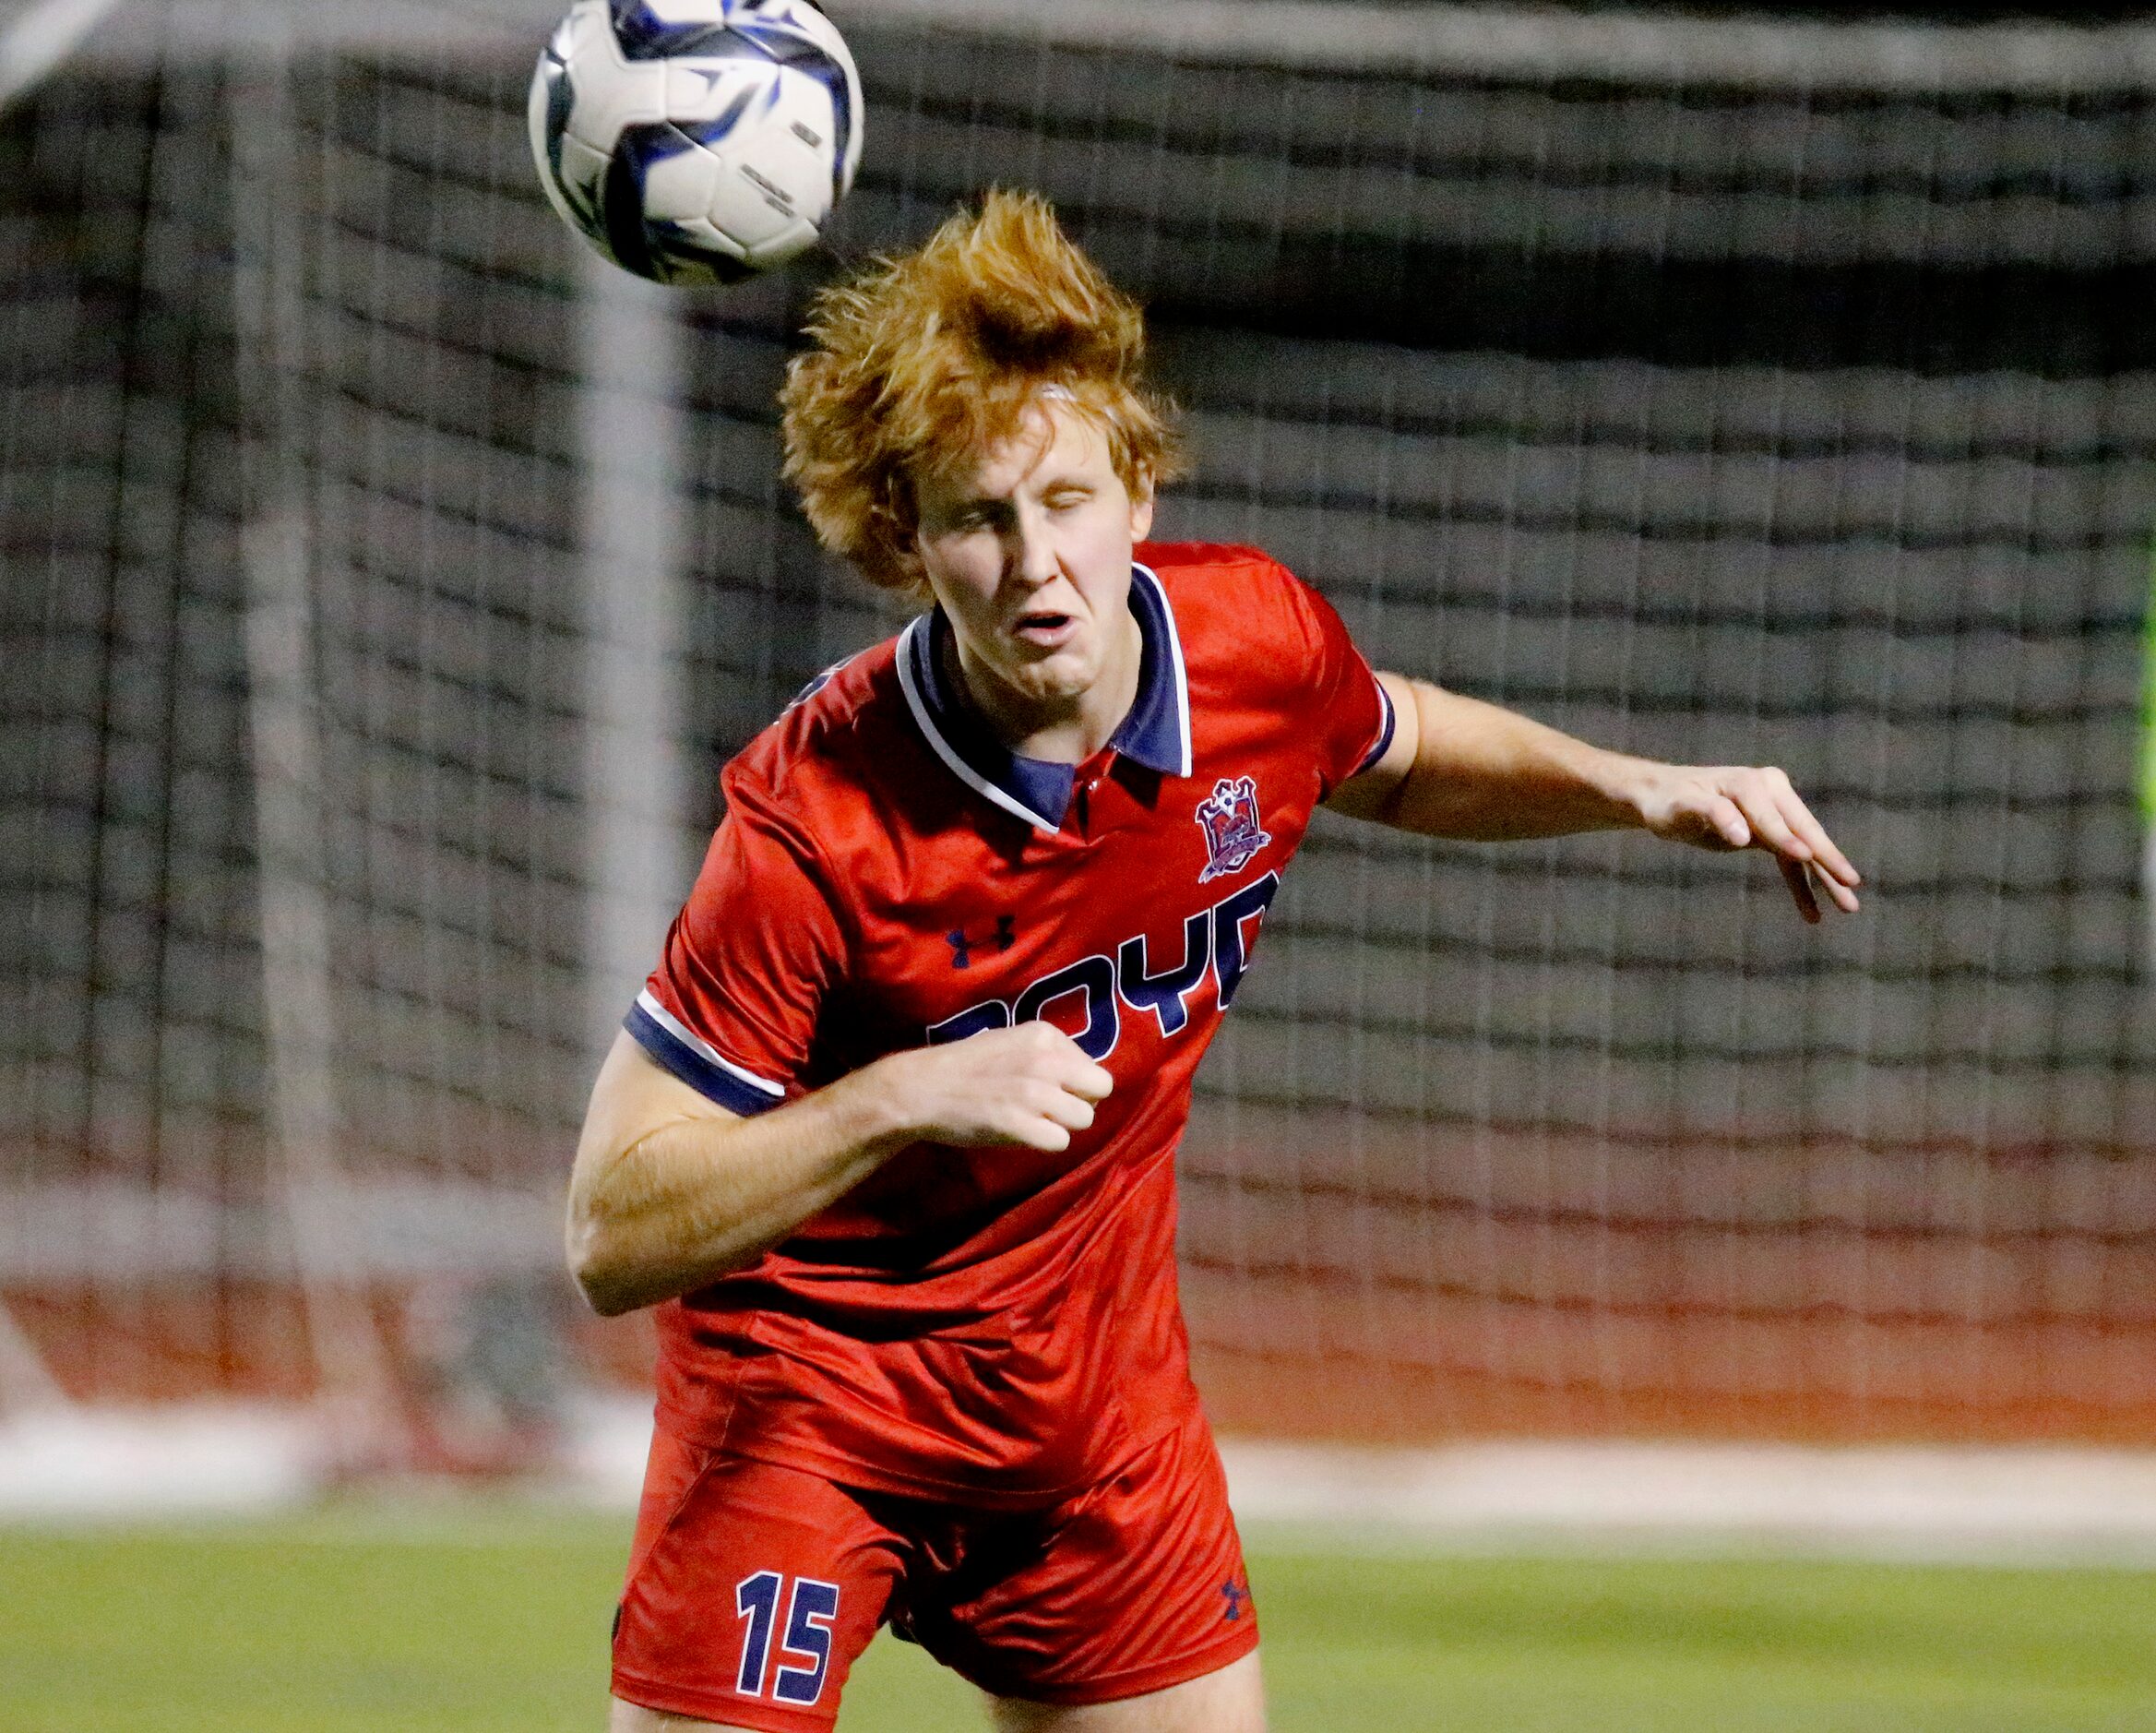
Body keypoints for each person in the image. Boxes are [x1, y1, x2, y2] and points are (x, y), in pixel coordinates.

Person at [568, 188, 1862, 1733]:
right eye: (979, 518)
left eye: (1065, 498)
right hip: (809, 1406)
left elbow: (1395, 742)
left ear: (1138, 487)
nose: (1036, 563)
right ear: (902, 538)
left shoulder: (1250, 642)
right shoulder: (808, 821)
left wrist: (1629, 783)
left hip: (1086, 1420)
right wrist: (894, 1097)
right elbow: (608, 1229)